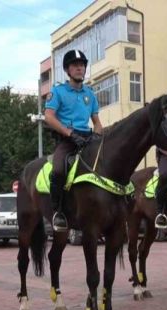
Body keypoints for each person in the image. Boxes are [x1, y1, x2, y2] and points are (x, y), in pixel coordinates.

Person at [44, 49, 103, 232]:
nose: (79, 68)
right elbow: (49, 117)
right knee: (59, 170)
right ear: (68, 70)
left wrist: (97, 135)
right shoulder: (58, 91)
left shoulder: (90, 94)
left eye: (82, 65)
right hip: (67, 139)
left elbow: (97, 122)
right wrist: (69, 133)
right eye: (75, 65)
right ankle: (58, 212)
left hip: (88, 139)